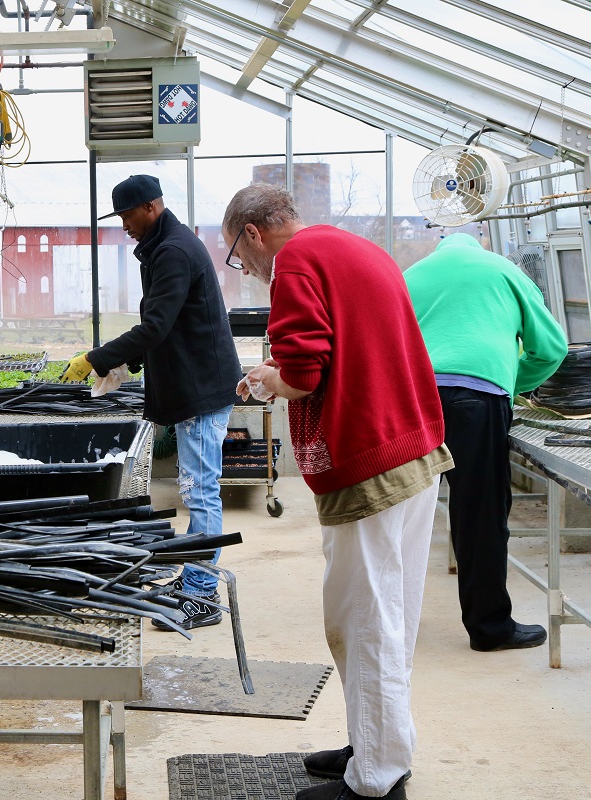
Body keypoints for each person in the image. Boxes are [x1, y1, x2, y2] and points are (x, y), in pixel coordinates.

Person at [227, 183, 451, 800]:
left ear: (252, 234)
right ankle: (376, 745)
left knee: (363, 620)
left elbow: (303, 373)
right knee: (387, 616)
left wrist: (267, 378)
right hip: (412, 450)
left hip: (369, 463)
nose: (245, 270)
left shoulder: (296, 260)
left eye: (238, 257)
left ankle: (375, 781)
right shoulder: (355, 248)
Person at [61, 174, 242, 630]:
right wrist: (130, 363)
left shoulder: (174, 251)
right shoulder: (166, 246)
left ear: (151, 207)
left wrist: (97, 357)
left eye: (126, 215)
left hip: (200, 388)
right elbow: (167, 322)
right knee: (196, 489)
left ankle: (201, 594)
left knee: (201, 491)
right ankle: (193, 577)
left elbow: (157, 324)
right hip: (194, 380)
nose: (123, 224)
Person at [406, 233, 567, 652]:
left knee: (403, 516)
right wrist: (511, 385)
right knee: (479, 515)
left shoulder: (410, 276)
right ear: (479, 246)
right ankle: (489, 628)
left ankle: (391, 625)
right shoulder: (505, 271)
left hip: (415, 401)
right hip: (478, 400)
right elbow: (551, 349)